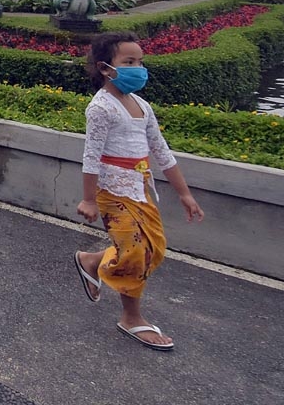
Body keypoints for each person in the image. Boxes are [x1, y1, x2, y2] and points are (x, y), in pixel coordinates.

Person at [74, 31, 204, 351]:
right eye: (129, 62)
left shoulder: (142, 106)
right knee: (136, 253)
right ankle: (131, 318)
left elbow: (162, 152)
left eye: (140, 61)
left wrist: (184, 194)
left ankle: (92, 261)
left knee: (154, 248)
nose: (138, 68)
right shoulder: (100, 108)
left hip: (141, 188)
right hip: (112, 191)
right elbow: (91, 156)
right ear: (106, 68)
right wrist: (89, 199)